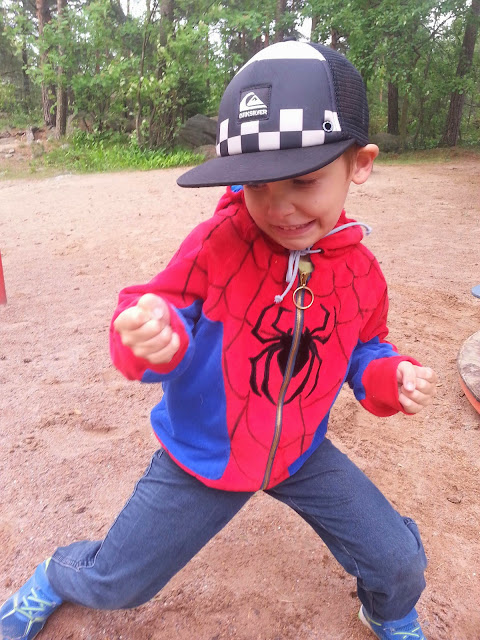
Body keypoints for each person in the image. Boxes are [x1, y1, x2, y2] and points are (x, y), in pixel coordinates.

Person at [1, 40, 437, 640]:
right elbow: (160, 309)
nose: (279, 208)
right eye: (257, 185)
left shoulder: (361, 273)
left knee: (399, 563)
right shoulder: (218, 244)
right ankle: (57, 574)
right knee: (120, 584)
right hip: (204, 454)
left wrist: (390, 376)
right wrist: (149, 337)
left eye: (303, 180)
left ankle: (384, 610)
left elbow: (366, 348)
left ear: (358, 163)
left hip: (300, 451)